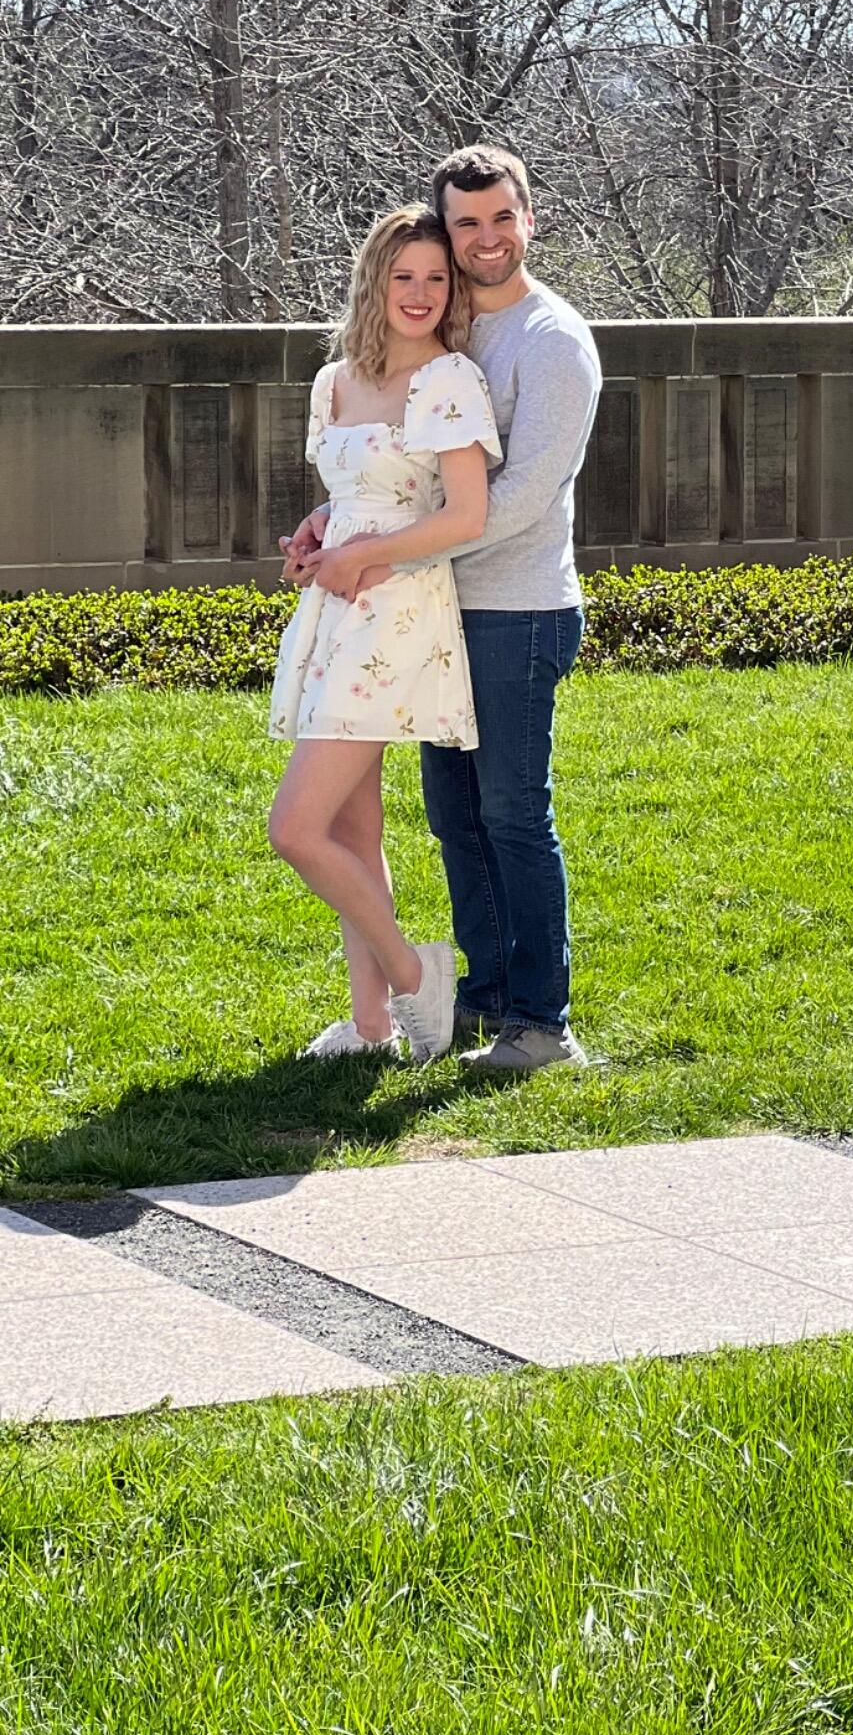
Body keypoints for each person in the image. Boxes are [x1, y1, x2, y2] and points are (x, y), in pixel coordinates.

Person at [283, 144, 601, 1074]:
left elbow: (517, 502)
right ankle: (480, 1003)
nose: (486, 238)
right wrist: (331, 525)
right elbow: (402, 472)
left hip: (517, 607)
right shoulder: (454, 328)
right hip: (433, 608)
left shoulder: (551, 343)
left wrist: (371, 555)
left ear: (530, 219)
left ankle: (542, 1023)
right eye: (467, 222)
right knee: (454, 820)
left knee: (511, 813)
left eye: (502, 218)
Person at [267, 205, 501, 1063]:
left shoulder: (448, 380)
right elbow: (357, 487)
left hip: (397, 613)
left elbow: (464, 515)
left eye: (437, 279)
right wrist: (318, 531)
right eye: (404, 276)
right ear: (374, 278)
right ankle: (370, 1030)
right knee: (355, 832)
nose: (421, 293)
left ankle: (414, 978)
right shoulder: (333, 382)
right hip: (336, 605)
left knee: (296, 829)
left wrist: (363, 553)